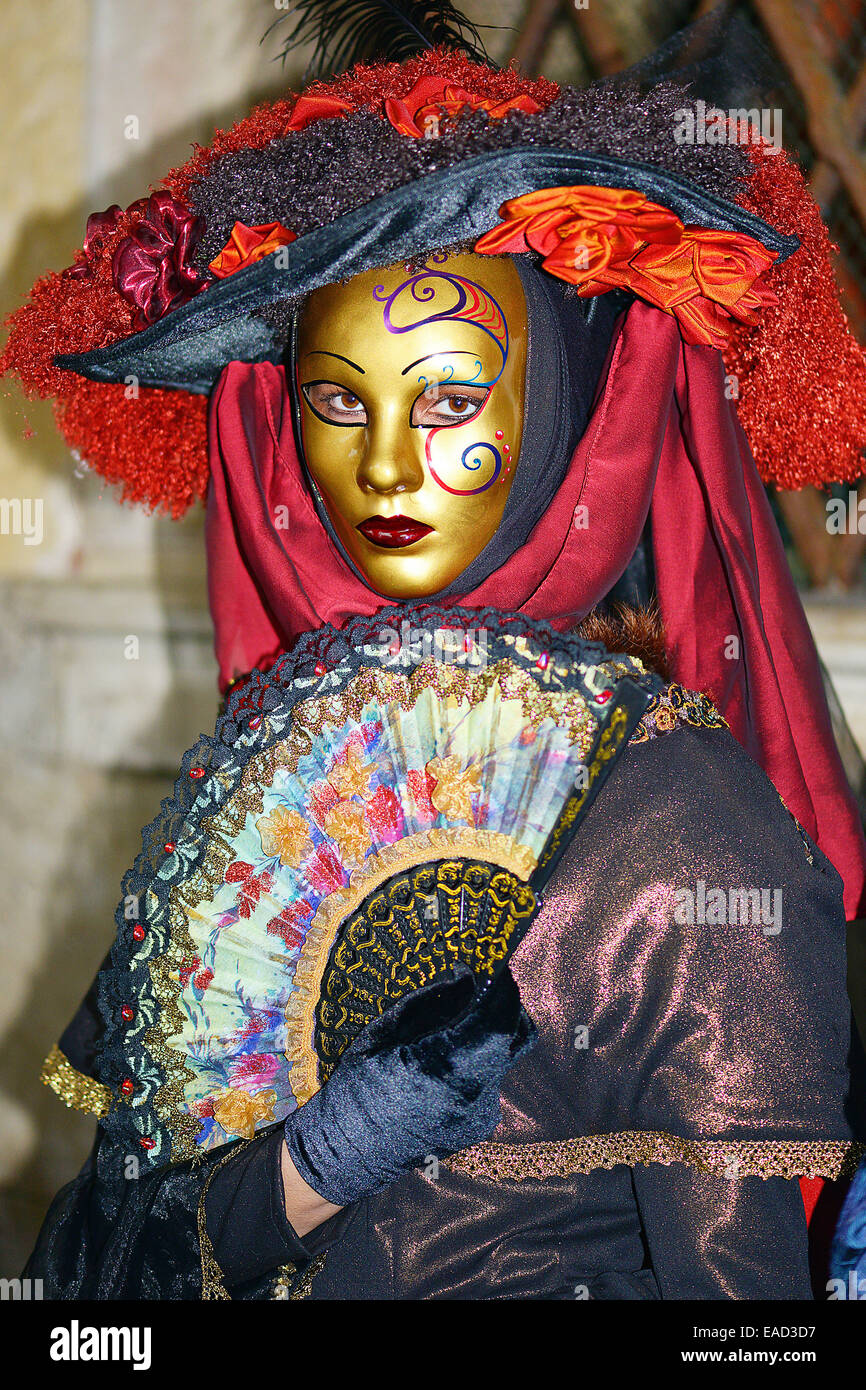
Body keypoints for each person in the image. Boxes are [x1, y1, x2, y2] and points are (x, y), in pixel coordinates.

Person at [3, 12, 866, 1301]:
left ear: (571, 409)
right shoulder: (256, 800)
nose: (388, 466)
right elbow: (91, 1315)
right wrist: (317, 1160)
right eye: (340, 402)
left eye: (452, 400)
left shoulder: (680, 829)